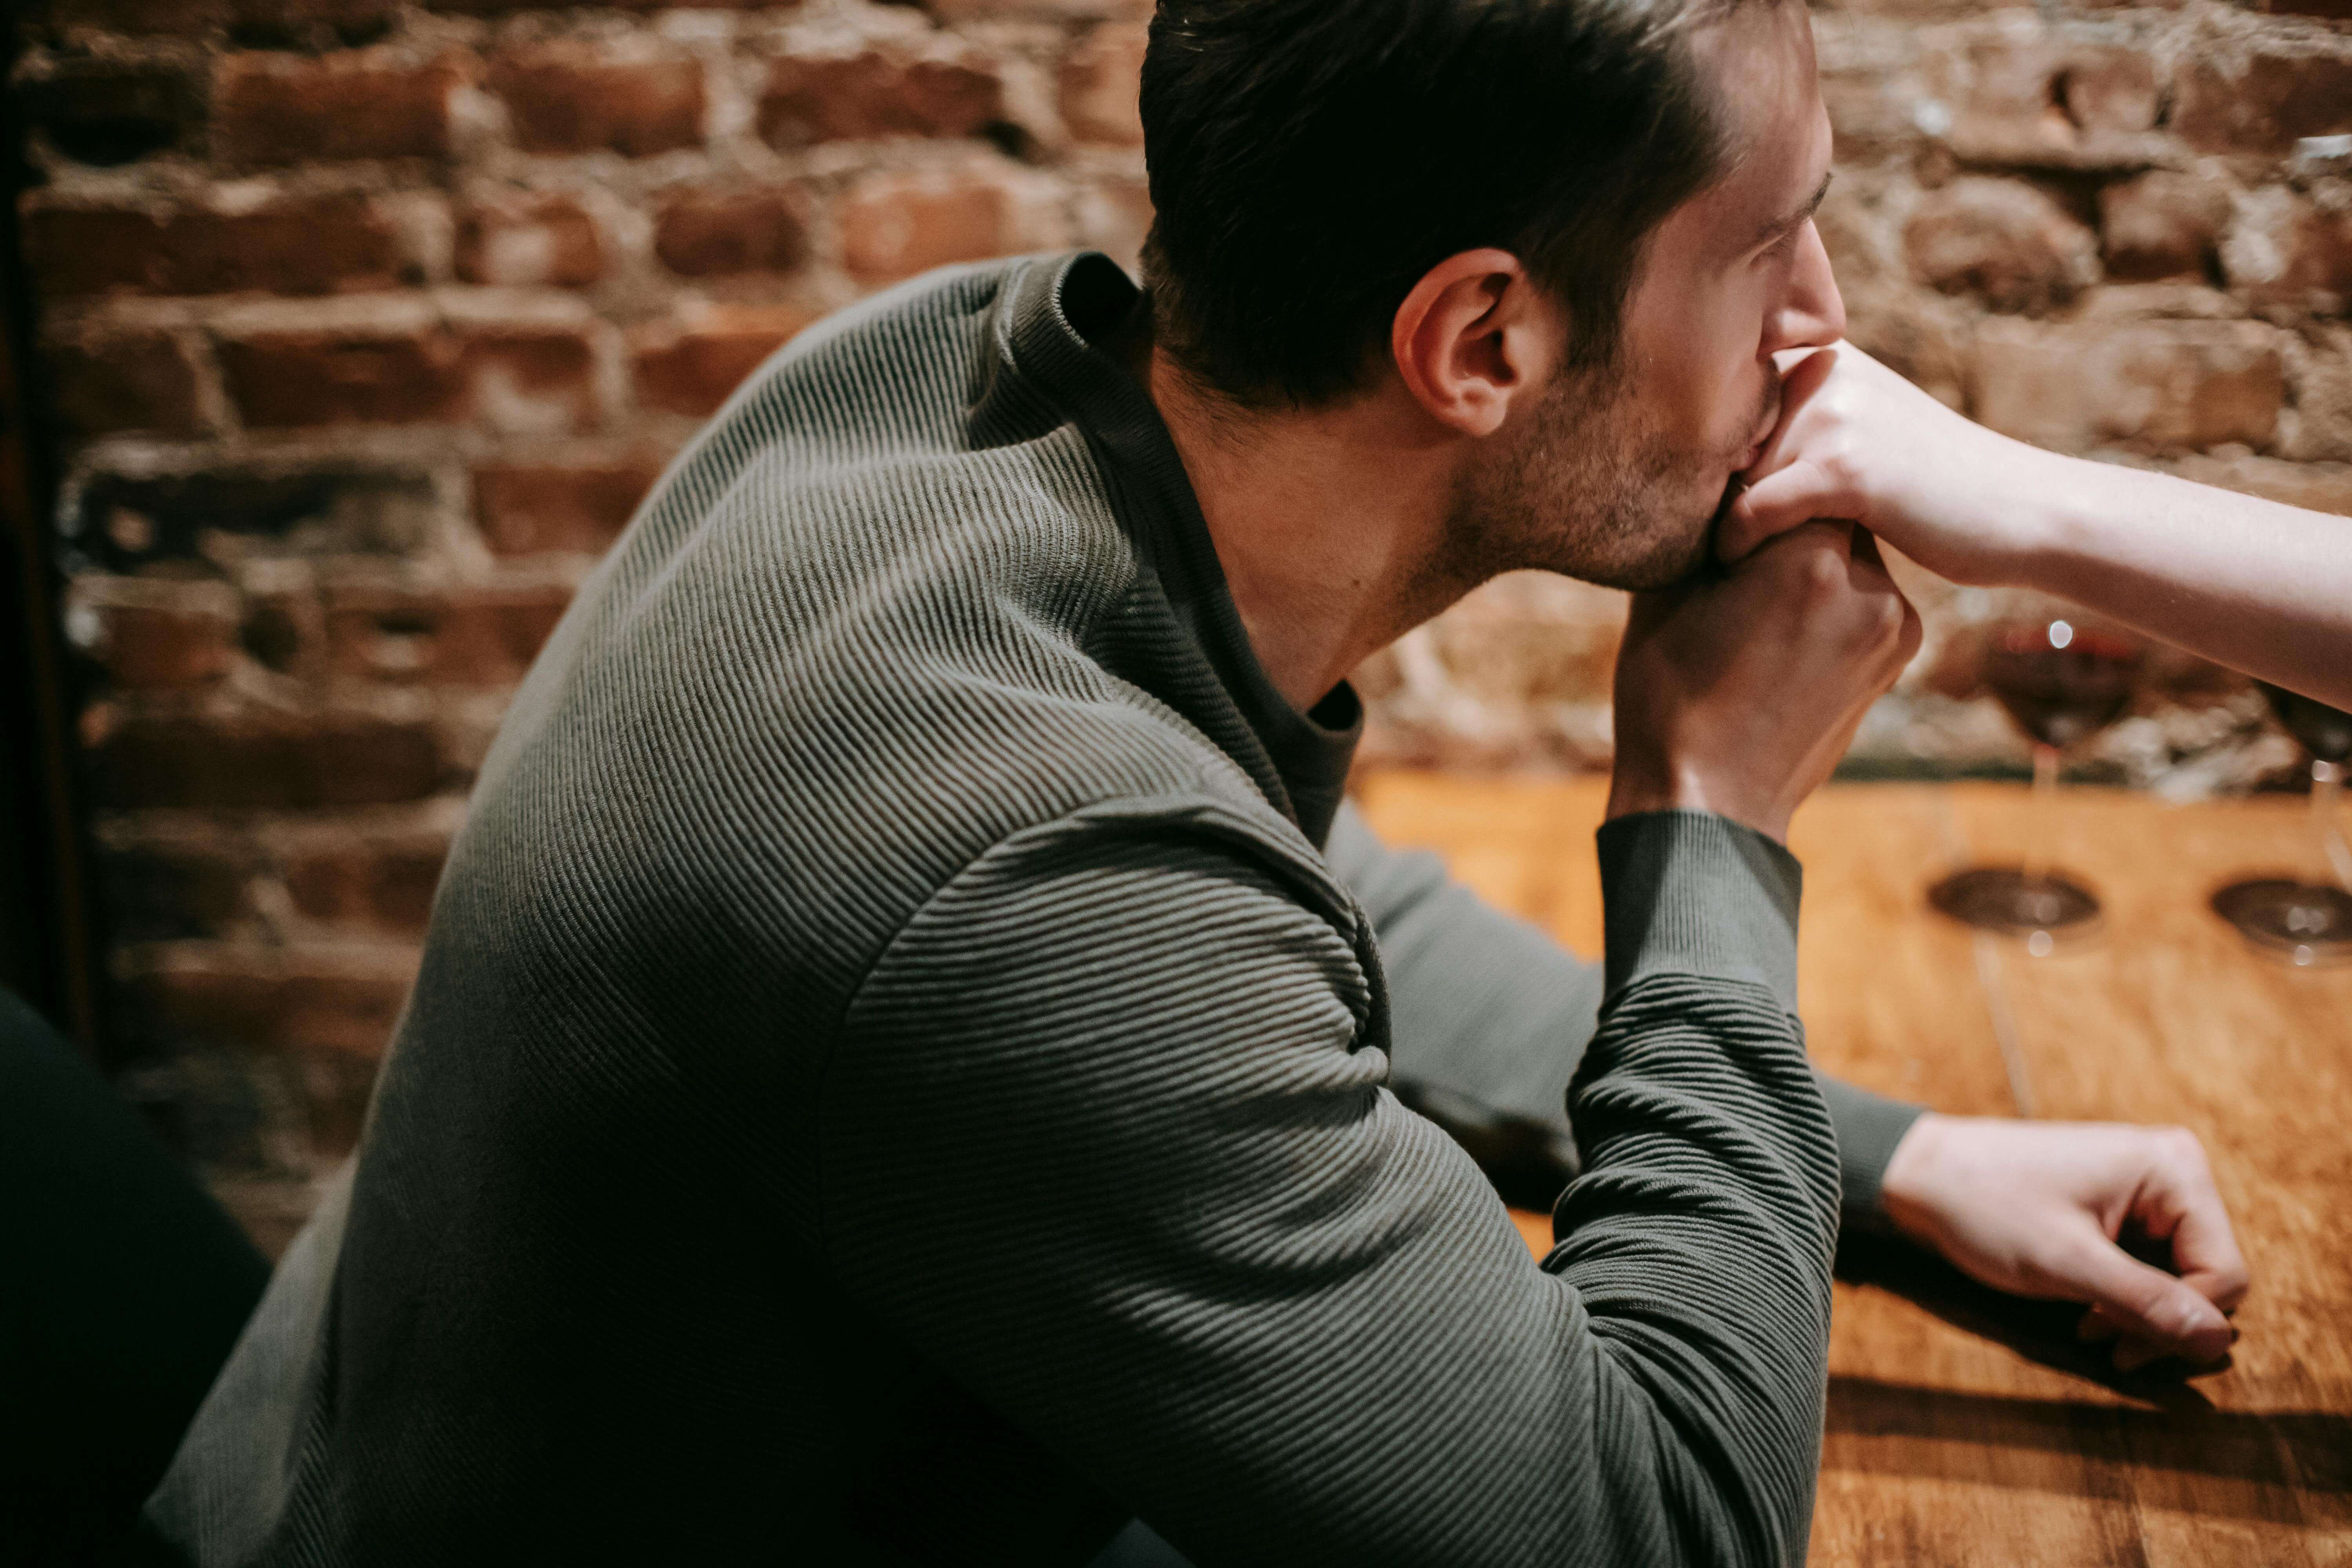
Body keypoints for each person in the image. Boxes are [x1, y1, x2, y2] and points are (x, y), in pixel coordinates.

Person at [141, 0, 2323, 1559]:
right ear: (1480, 342)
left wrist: (1900, 1166)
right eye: (1773, 248)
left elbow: (1306, 907)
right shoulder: (1004, 853)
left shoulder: (968, 389)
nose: (1826, 325)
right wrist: (1714, 820)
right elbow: (1652, 1520)